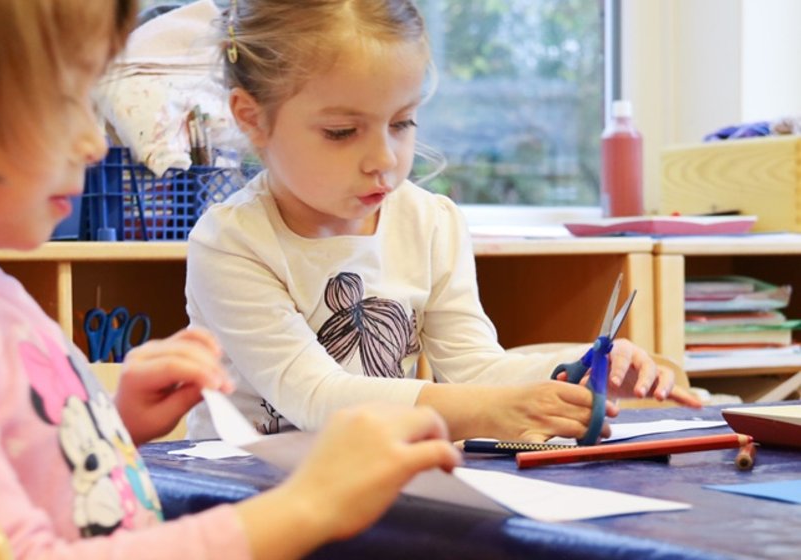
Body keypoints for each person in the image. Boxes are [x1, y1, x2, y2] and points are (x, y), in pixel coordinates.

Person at [0, 1, 463, 559]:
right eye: (68, 101)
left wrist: (109, 424)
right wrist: (305, 508)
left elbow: (2, 477)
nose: (94, 143)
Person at [185, 0, 701, 441]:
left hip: (367, 482)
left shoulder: (430, 222)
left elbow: (474, 369)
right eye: (342, 131)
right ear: (252, 118)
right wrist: (487, 412)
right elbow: (314, 395)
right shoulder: (232, 243)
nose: (384, 158)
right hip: (246, 499)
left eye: (402, 122)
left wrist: (579, 368)